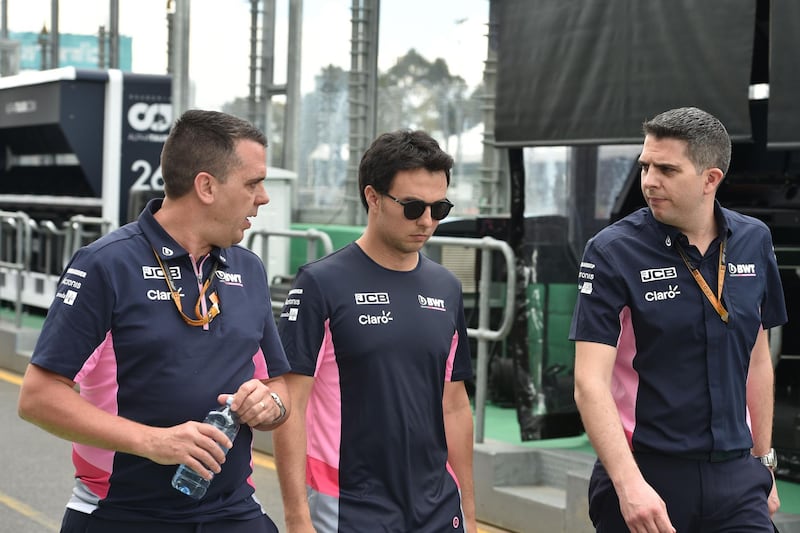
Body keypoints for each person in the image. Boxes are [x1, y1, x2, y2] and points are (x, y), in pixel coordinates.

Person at [18, 109, 291, 533]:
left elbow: (280, 388)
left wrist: (270, 404)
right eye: (253, 183)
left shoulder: (249, 269)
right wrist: (153, 442)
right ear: (206, 187)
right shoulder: (105, 265)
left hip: (232, 511)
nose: (264, 197)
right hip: (123, 514)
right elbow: (37, 397)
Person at [569, 106, 787, 532]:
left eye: (667, 170)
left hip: (737, 477)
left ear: (711, 179)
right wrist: (629, 484)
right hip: (646, 474)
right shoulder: (612, 251)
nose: (649, 181)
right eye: (646, 166)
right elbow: (588, 383)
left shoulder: (754, 240)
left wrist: (764, 463)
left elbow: (757, 361)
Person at [273, 129, 477, 532]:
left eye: (440, 208)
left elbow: (454, 405)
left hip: (436, 505)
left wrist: (468, 512)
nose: (426, 221)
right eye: (413, 206)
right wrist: (298, 517)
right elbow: (291, 406)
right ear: (372, 197)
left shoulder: (446, 288)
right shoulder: (320, 284)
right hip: (348, 504)